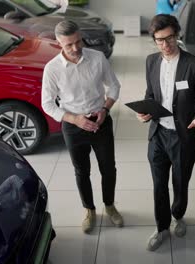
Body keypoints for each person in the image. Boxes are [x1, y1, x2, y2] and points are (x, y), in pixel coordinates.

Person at [136, 14, 195, 251]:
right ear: (154, 40)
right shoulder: (151, 61)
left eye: (169, 38)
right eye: (159, 40)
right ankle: (161, 227)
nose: (165, 45)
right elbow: (150, 94)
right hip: (158, 134)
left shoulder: (194, 64)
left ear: (177, 35)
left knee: (180, 183)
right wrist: (145, 110)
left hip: (183, 135)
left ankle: (178, 214)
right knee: (159, 185)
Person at [42, 20, 123, 234]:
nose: (76, 48)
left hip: (100, 121)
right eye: (69, 45)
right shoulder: (52, 69)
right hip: (73, 125)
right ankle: (89, 209)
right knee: (81, 171)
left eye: (78, 41)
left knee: (108, 168)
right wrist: (74, 119)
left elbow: (114, 85)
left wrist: (105, 109)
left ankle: (110, 205)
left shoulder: (97, 58)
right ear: (59, 43)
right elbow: (47, 104)